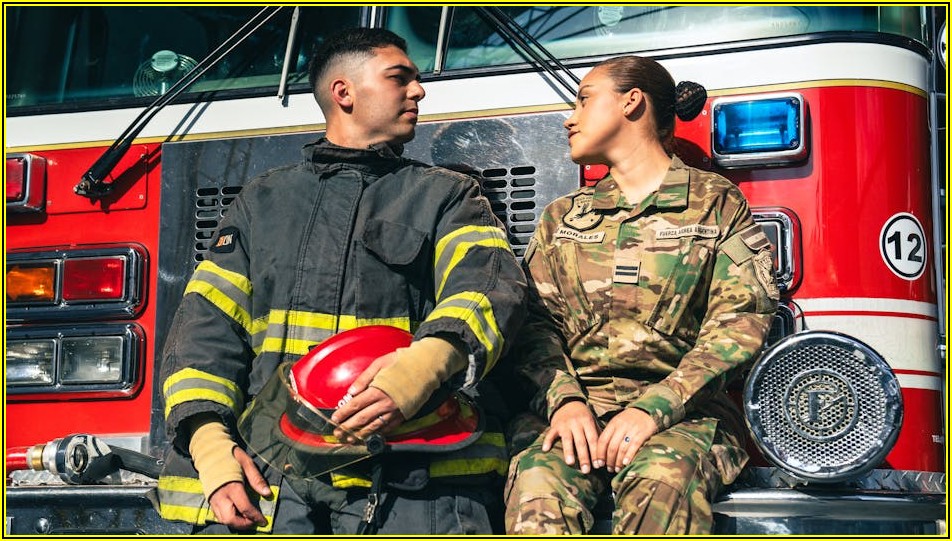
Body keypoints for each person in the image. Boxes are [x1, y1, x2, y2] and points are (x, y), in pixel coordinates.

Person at [156, 27, 526, 534]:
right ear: (344, 93)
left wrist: (417, 373)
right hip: (271, 482)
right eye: (401, 78)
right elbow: (204, 335)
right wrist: (211, 449)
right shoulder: (262, 203)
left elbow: (486, 288)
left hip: (410, 475)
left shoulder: (449, 197)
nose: (419, 91)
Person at [504, 55, 780, 535]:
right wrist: (565, 402)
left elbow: (739, 322)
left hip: (684, 417)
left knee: (663, 482)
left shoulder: (715, 203)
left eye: (584, 100)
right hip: (576, 415)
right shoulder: (562, 218)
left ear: (632, 102)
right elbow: (533, 326)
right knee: (537, 486)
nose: (570, 117)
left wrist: (655, 408)